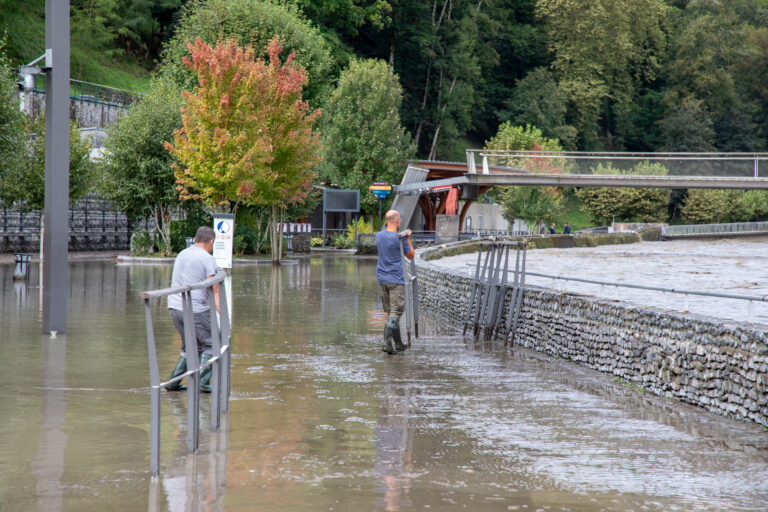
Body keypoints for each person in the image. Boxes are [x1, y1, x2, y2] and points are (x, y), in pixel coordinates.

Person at [165, 226, 220, 392]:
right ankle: (203, 384)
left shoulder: (182, 254)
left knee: (190, 346)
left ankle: (173, 383)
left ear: (195, 239)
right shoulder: (207, 258)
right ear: (211, 242)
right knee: (213, 344)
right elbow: (214, 291)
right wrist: (224, 319)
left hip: (174, 307)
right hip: (195, 309)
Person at [375, 210, 415, 354]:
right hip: (396, 279)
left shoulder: (378, 236)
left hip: (382, 279)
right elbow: (410, 255)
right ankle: (386, 343)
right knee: (396, 311)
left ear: (386, 221)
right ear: (397, 222)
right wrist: (407, 238)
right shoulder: (399, 238)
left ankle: (398, 344)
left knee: (391, 312)